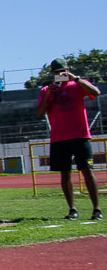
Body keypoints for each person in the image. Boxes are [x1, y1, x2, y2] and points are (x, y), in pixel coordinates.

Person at [36, 58, 102, 221]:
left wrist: (77, 79)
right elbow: (40, 113)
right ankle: (72, 209)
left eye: (63, 71)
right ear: (52, 74)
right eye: (57, 72)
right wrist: (49, 94)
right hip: (59, 137)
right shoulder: (46, 90)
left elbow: (96, 92)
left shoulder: (77, 85)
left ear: (68, 70)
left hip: (80, 135)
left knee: (87, 170)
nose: (60, 75)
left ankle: (96, 209)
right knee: (65, 174)